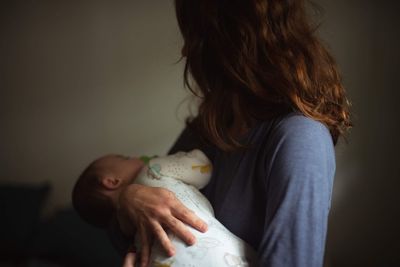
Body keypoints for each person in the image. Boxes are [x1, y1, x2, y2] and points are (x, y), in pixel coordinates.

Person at [81, 0, 352, 266]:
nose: (186, 50)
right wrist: (130, 200)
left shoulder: (299, 138)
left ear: (234, 37)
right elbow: (153, 213)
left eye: (194, 34)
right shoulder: (209, 127)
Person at [72, 150, 257, 266]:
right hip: (218, 255)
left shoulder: (127, 231)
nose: (136, 156)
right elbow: (202, 169)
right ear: (111, 182)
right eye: (126, 158)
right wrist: (188, 156)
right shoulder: (153, 170)